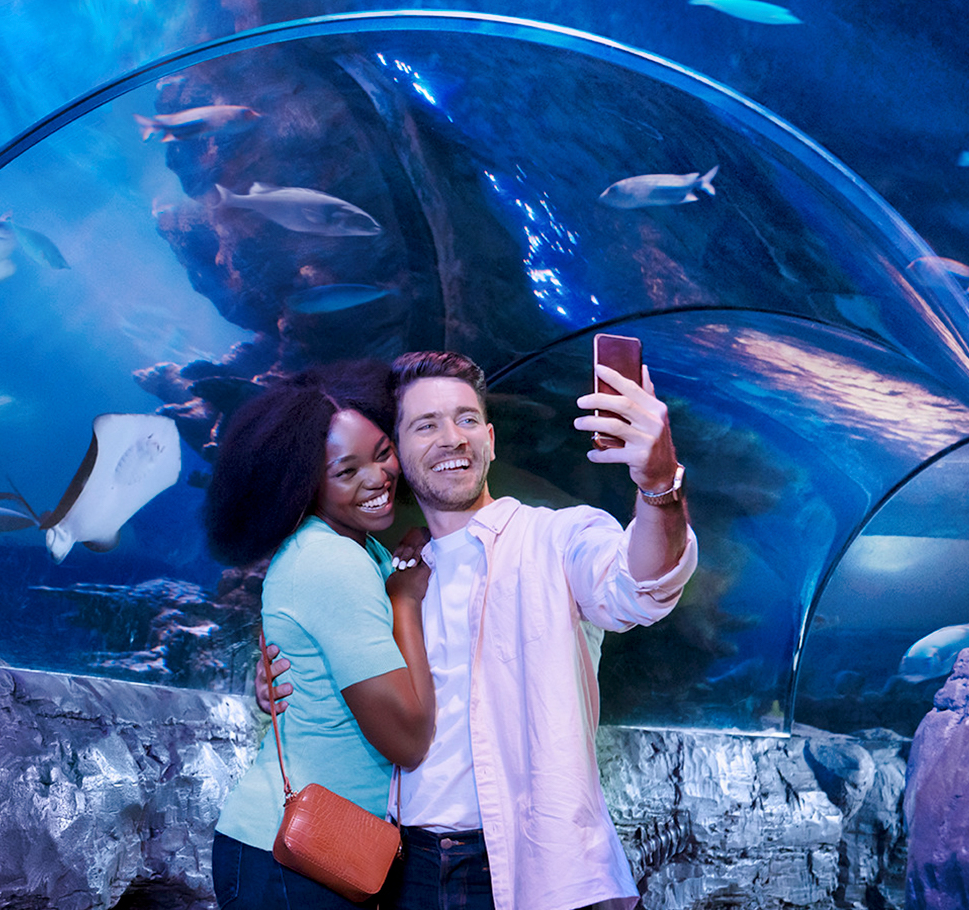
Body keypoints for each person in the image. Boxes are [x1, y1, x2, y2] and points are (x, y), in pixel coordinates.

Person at [261, 349, 697, 910]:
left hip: (541, 866)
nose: (452, 438)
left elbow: (643, 585)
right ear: (397, 454)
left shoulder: (557, 538)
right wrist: (278, 675)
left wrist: (659, 484)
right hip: (405, 869)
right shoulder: (389, 573)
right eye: (426, 425)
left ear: (490, 439)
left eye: (466, 419)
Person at [206, 365, 436, 910]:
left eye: (383, 453)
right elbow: (408, 739)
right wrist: (405, 601)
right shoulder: (332, 560)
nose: (377, 478)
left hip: (324, 851)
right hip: (290, 857)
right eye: (346, 471)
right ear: (307, 485)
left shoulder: (359, 548)